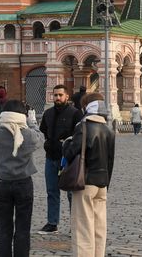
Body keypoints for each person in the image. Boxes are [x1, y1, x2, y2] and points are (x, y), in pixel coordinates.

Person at [64, 93, 116, 257]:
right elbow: (110, 160)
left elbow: (72, 152)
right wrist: (106, 182)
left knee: (83, 227)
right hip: (102, 182)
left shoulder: (84, 127)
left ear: (86, 107)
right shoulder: (109, 129)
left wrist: (66, 143)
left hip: (85, 182)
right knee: (99, 227)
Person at [0, 99, 40, 257]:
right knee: (23, 228)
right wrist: (32, 123)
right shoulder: (28, 134)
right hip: (24, 183)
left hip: (3, 183)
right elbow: (40, 138)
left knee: (3, 228)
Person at [37, 83, 81, 234]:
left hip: (68, 159)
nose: (57, 98)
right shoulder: (48, 113)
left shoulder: (75, 113)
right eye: (55, 95)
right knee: (51, 191)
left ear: (66, 96)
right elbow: (43, 130)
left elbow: (79, 135)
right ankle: (52, 222)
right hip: (51, 157)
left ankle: (75, 224)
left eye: (60, 95)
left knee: (71, 193)